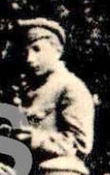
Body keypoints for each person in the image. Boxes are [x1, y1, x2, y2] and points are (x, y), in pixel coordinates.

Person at [14, 18, 94, 164]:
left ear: (57, 51)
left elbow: (80, 145)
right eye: (26, 52)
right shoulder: (28, 90)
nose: (30, 59)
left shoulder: (70, 87)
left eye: (37, 49)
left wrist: (35, 139)